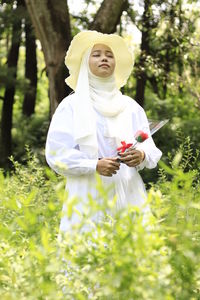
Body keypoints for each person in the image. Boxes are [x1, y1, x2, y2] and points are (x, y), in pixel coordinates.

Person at [45, 31, 162, 232]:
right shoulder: (71, 105)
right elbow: (56, 153)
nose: (104, 58)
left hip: (129, 192)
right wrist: (93, 165)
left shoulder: (130, 107)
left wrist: (140, 155)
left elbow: (150, 149)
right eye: (96, 54)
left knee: (130, 252)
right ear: (84, 63)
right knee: (89, 252)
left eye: (109, 54)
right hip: (87, 193)